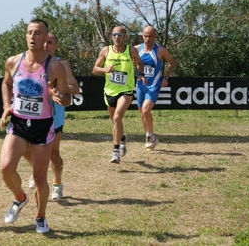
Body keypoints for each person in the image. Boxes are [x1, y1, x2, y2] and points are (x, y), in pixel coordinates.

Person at [0, 19, 71, 234]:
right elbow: (6, 83)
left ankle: (41, 217)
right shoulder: (13, 61)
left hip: (42, 126)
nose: (33, 37)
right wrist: (6, 106)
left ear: (45, 37)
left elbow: (67, 97)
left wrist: (60, 97)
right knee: (5, 168)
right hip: (19, 124)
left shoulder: (55, 66)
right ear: (25, 36)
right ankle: (20, 198)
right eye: (30, 32)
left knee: (40, 178)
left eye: (38, 33)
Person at [25, 33, 80, 200]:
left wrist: (59, 87)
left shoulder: (61, 64)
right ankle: (38, 170)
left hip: (54, 115)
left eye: (50, 42)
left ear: (56, 45)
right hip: (34, 113)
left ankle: (57, 183)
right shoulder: (31, 63)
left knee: (53, 154)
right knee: (25, 149)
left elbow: (75, 87)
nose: (45, 45)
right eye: (44, 42)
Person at [92, 26, 146, 164]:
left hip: (126, 90)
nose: (117, 37)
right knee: (115, 121)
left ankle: (115, 151)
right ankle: (122, 138)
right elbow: (95, 69)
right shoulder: (106, 50)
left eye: (120, 34)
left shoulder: (131, 50)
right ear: (112, 36)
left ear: (125, 37)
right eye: (114, 34)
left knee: (117, 117)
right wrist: (105, 69)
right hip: (110, 91)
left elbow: (140, 63)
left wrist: (141, 74)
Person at [134, 26, 176, 150]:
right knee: (142, 113)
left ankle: (149, 135)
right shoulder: (136, 49)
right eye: (146, 36)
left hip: (153, 86)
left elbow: (172, 62)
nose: (148, 39)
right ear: (142, 36)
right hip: (140, 86)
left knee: (146, 110)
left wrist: (166, 78)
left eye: (150, 36)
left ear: (154, 36)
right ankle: (151, 137)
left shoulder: (160, 50)